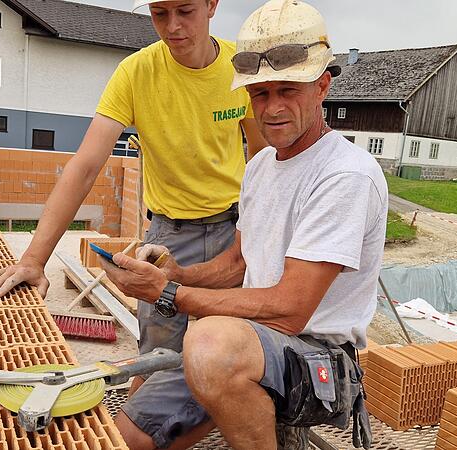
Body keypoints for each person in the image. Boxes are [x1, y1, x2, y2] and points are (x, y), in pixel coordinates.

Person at [99, 1, 385, 448]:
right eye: (260, 94)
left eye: (288, 90)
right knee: (125, 440)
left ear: (322, 86)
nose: (271, 109)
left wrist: (171, 295)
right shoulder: (261, 165)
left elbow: (292, 309)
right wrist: (174, 274)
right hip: (250, 345)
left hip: (318, 361)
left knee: (210, 342)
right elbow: (237, 263)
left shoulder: (344, 174)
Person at [0, 0, 265, 375]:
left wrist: (258, 239)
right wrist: (33, 259)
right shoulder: (136, 73)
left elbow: (264, 160)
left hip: (234, 228)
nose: (173, 26)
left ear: (211, 5)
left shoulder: (240, 69)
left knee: (237, 348)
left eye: (185, 11)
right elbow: (84, 167)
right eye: (160, 14)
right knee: (158, 356)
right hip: (169, 235)